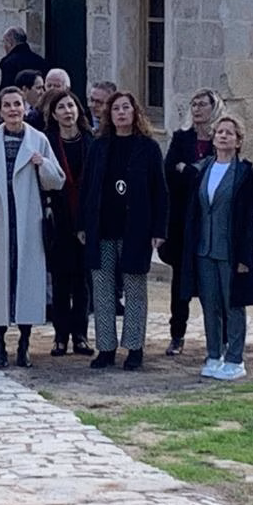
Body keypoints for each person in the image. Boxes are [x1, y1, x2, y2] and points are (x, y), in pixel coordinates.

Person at [0, 86, 65, 369]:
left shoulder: (38, 140)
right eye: (7, 105)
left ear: (25, 108)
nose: (13, 110)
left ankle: (23, 344)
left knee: (26, 283)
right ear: (0, 110)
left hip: (27, 219)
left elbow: (55, 180)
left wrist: (42, 163)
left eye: (17, 105)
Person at [79, 91, 167, 371]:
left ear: (135, 112)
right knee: (103, 291)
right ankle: (106, 348)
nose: (120, 113)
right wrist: (82, 224)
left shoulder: (149, 148)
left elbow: (160, 192)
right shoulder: (99, 146)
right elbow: (86, 187)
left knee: (134, 288)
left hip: (136, 229)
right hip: (103, 228)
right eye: (115, 108)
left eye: (125, 107)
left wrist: (158, 229)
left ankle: (134, 347)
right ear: (109, 114)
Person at [182, 114, 253, 382]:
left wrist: (245, 257)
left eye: (230, 133)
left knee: (233, 305)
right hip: (204, 249)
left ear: (238, 141)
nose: (223, 136)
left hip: (230, 251)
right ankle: (214, 354)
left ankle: (235, 358)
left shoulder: (245, 173)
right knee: (210, 305)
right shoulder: (203, 169)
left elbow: (250, 218)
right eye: (220, 132)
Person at [161, 87, 226, 356]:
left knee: (215, 281)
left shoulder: (221, 139)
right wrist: (190, 173)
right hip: (182, 221)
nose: (197, 109)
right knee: (181, 281)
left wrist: (187, 170)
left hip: (210, 221)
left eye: (202, 104)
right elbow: (170, 173)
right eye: (194, 104)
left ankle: (220, 337)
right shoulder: (181, 139)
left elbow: (220, 175)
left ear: (214, 108)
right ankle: (177, 334)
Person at [42, 90, 94, 358]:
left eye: (71, 105)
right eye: (61, 107)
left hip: (85, 219)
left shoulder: (89, 141)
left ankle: (81, 336)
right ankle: (60, 337)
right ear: (53, 114)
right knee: (61, 281)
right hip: (59, 219)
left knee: (82, 282)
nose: (67, 111)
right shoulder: (47, 142)